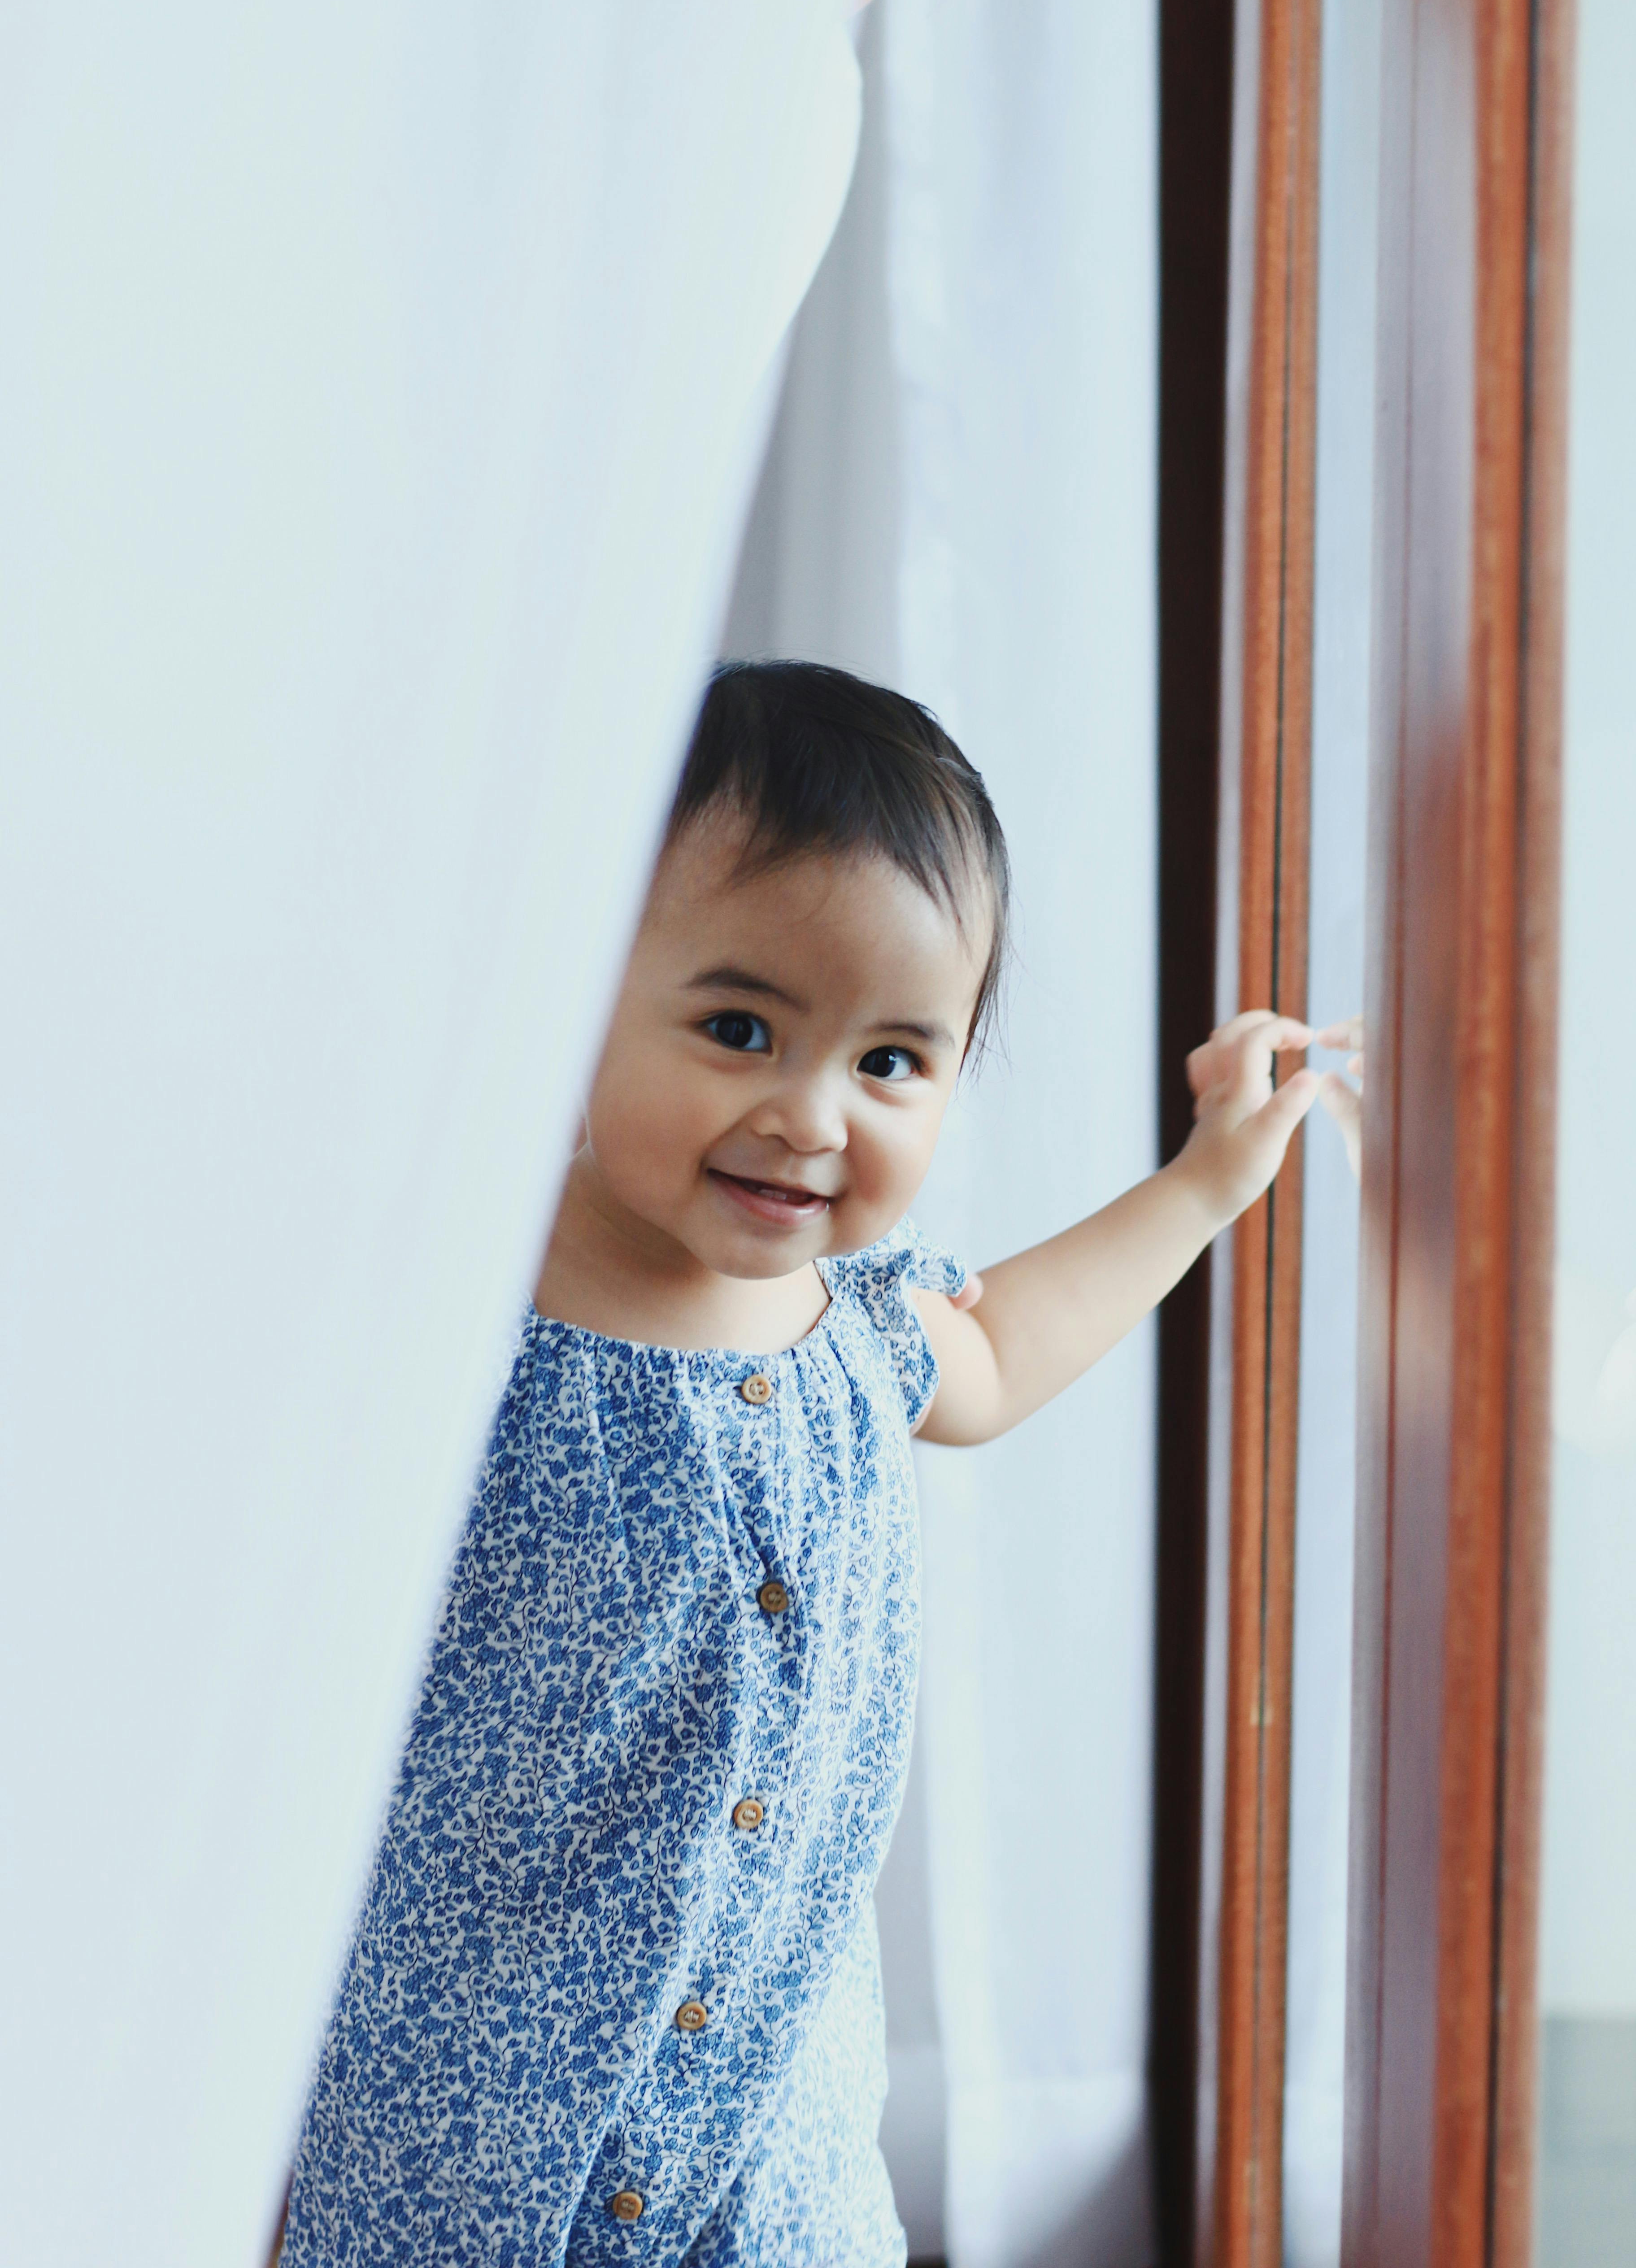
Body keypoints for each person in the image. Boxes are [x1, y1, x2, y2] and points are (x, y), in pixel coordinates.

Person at [280, 662, 1347, 2264]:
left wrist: (1204, 1183)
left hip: (772, 2128)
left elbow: (1007, 1353)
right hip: (463, 2135)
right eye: (737, 1028)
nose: (811, 1115)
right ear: (566, 985)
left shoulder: (867, 1330)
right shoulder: (451, 1332)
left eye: (892, 1062)